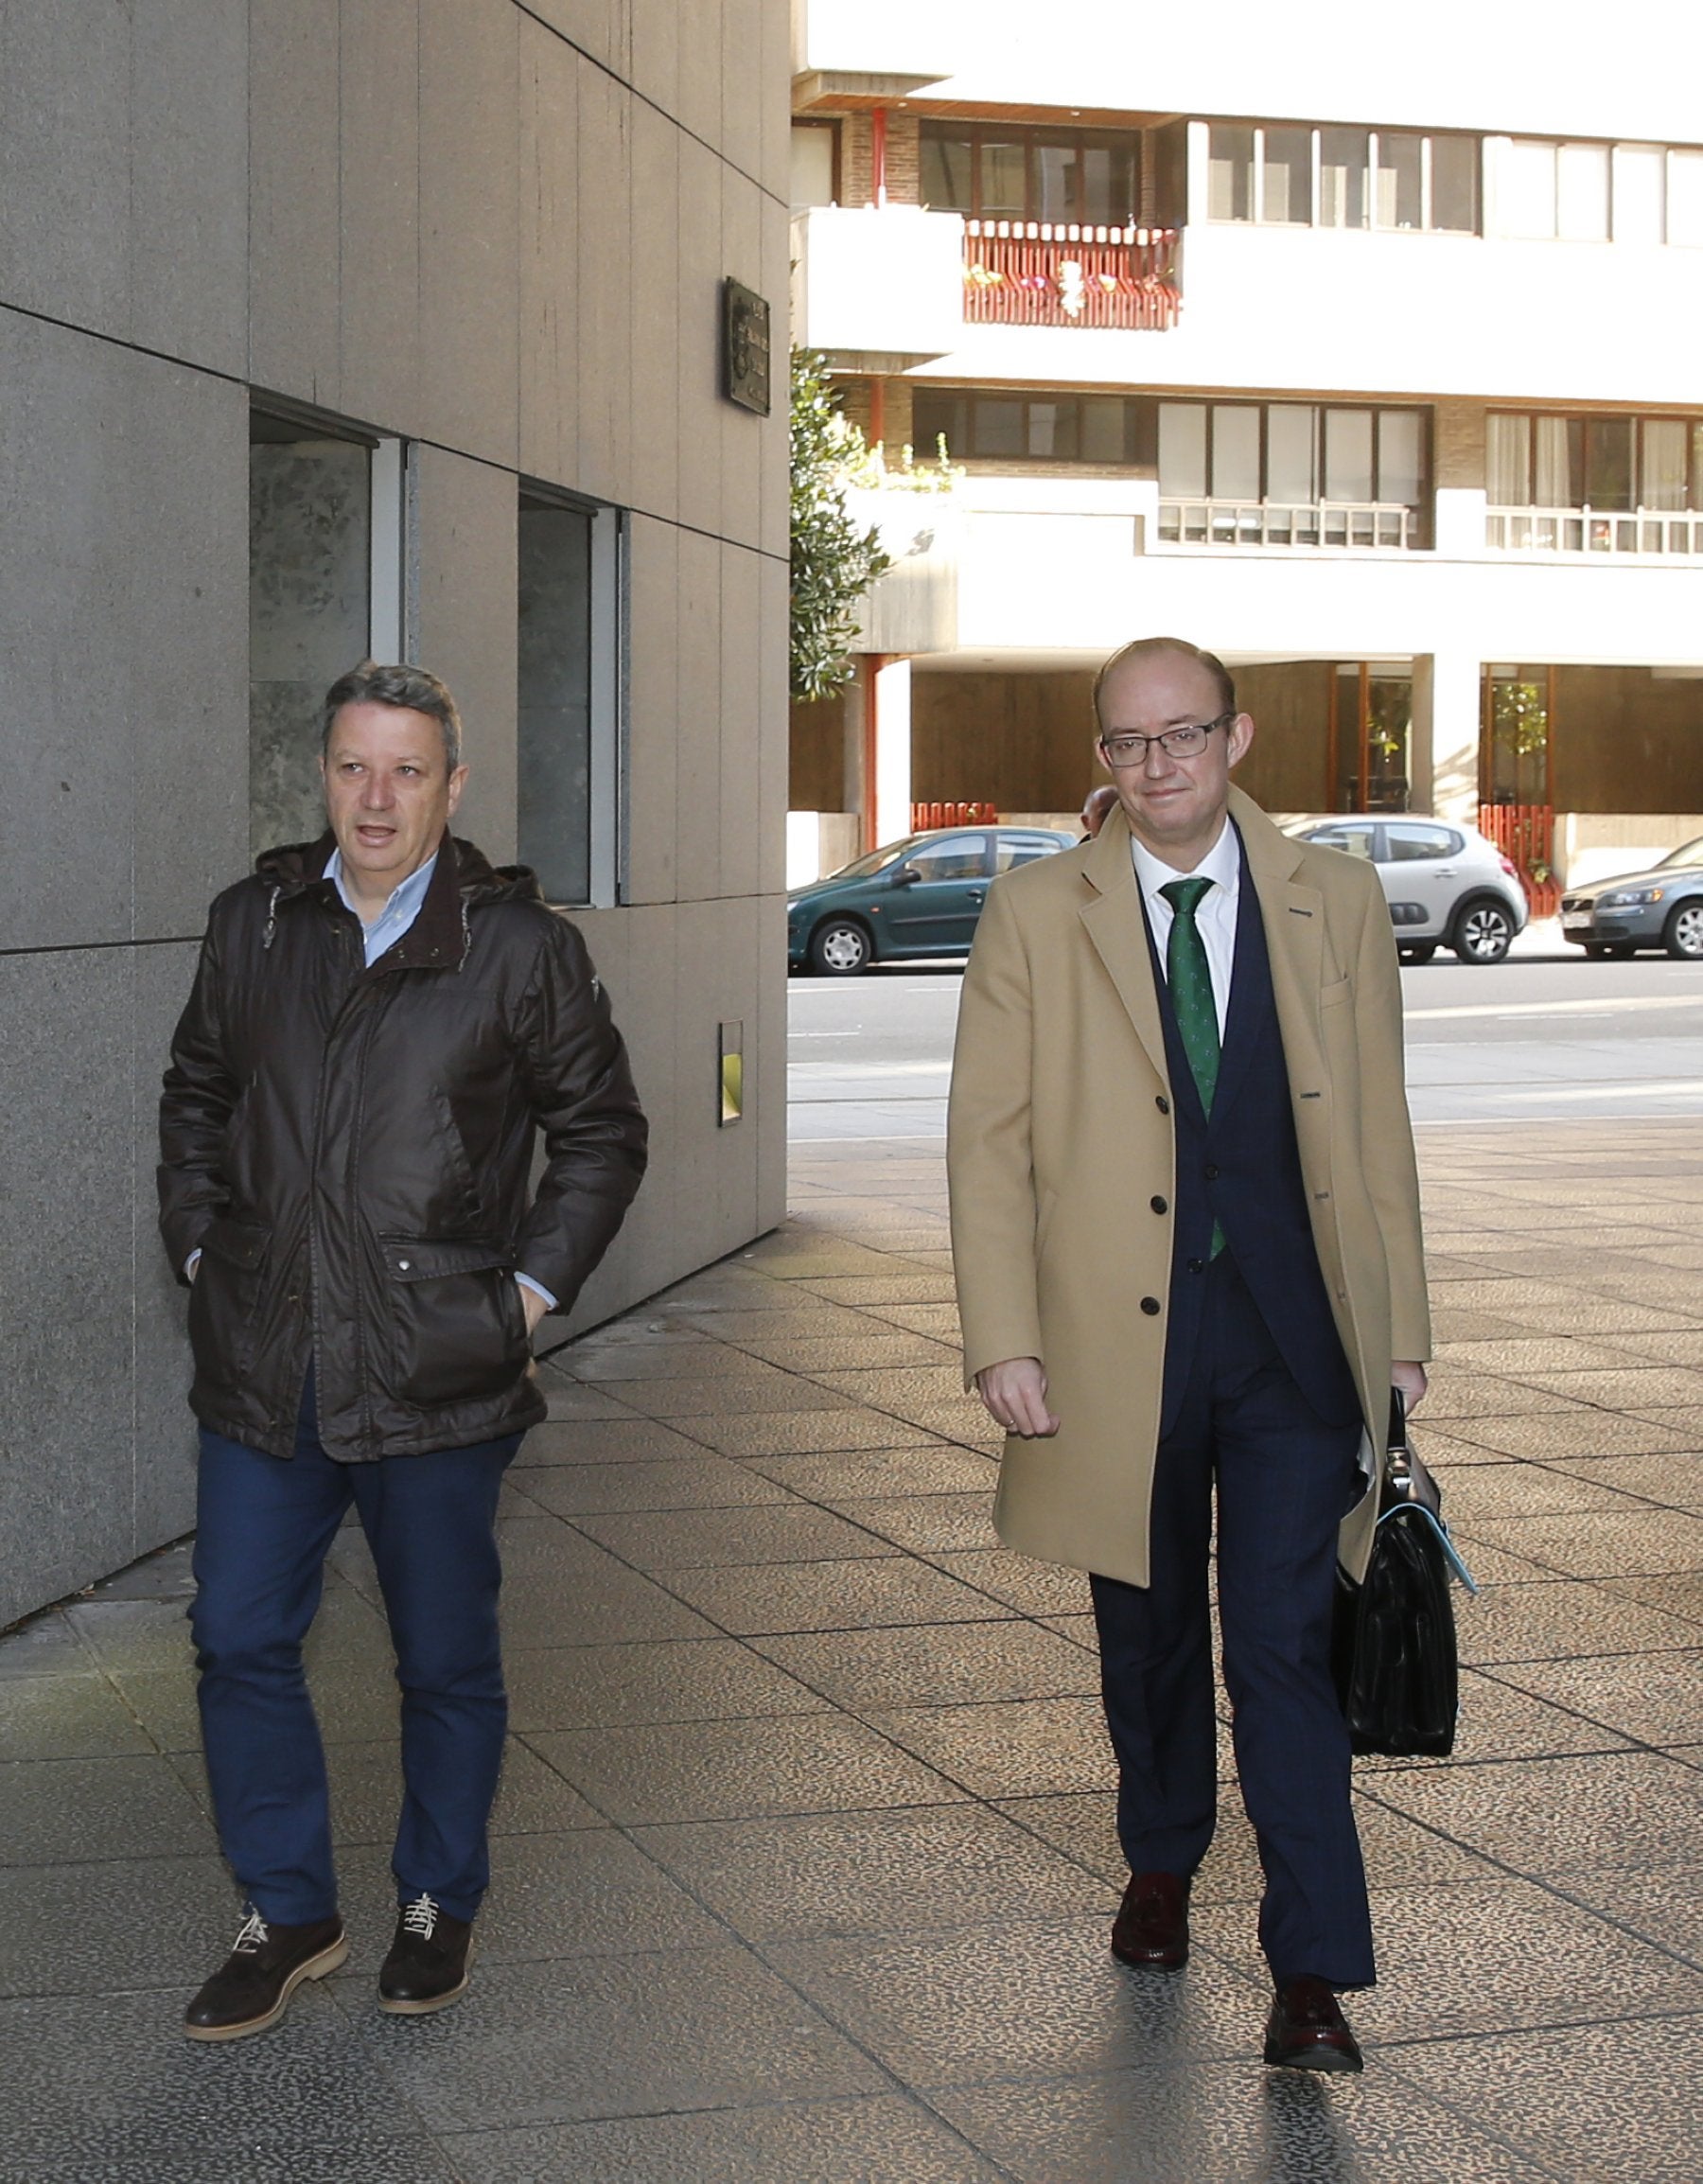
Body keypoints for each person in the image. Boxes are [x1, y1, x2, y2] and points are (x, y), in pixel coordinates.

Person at [947, 636, 1429, 2073]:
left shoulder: (1334, 901)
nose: (1155, 765)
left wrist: (1399, 1333)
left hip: (1292, 1339)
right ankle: (1159, 1862)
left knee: (1283, 1648)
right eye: (1126, 742)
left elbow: (1384, 1128)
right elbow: (989, 1143)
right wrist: (1002, 1338)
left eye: (1183, 735)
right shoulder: (1037, 913)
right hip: (1110, 1343)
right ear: (1100, 756)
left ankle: (1312, 1970)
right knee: (1145, 1634)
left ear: (1239, 737)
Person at [159, 660, 647, 2041]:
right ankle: (287, 1910)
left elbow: (602, 1133)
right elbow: (196, 1091)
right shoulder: (253, 922)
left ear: (453, 784)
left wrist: (526, 1300)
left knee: (441, 1656)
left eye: (407, 771)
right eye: (353, 768)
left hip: (440, 1369)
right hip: (267, 1363)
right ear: (321, 774)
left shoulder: (518, 945)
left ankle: (437, 1900)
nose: (376, 799)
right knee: (238, 1634)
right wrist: (202, 1247)